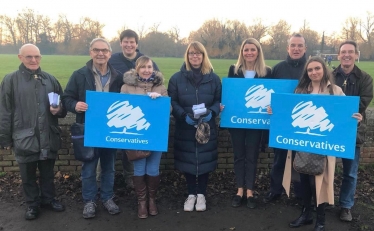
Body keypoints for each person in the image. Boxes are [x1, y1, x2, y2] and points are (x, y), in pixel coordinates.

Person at [268, 56, 362, 231]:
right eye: (310, 70)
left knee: (318, 183)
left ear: (324, 70)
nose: (314, 72)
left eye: (317, 68)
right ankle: (306, 214)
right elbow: (288, 113)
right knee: (303, 181)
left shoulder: (335, 91)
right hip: (302, 145)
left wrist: (355, 119)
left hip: (323, 148)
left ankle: (321, 219)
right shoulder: (301, 90)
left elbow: (344, 116)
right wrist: (274, 110)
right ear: (307, 73)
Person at [0, 44, 67, 220]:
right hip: (24, 137)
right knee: (28, 176)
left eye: (37, 56)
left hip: (48, 136)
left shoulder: (50, 79)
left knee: (47, 173)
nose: (33, 60)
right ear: (20, 57)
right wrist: (5, 139)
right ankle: (32, 204)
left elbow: (63, 108)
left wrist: (58, 110)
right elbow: (4, 111)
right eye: (29, 56)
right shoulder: (10, 80)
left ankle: (48, 199)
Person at [62, 38, 124, 219]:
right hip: (88, 129)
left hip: (110, 130)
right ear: (91, 52)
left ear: (110, 54)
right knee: (88, 167)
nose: (100, 53)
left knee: (109, 167)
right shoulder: (79, 75)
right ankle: (89, 201)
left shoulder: (118, 77)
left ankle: (107, 198)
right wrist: (75, 105)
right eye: (96, 50)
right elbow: (66, 98)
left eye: (104, 50)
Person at [168, 41, 221, 212]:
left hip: (206, 127)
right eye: (191, 53)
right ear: (187, 56)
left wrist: (212, 112)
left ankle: (202, 195)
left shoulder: (214, 78)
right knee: (188, 160)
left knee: (204, 159)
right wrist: (183, 115)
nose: (195, 56)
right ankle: (191, 194)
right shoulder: (176, 78)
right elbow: (172, 101)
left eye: (198, 53)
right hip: (186, 126)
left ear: (203, 56)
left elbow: (218, 101)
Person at [109, 29, 159, 188]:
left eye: (132, 42)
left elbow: (156, 82)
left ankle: (132, 180)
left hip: (143, 114)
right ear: (121, 43)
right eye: (126, 41)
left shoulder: (146, 60)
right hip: (121, 106)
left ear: (136, 44)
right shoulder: (113, 60)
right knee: (123, 146)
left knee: (136, 147)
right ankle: (116, 180)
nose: (129, 45)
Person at [120, 56, 168, 218]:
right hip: (136, 133)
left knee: (153, 168)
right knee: (139, 168)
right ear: (137, 69)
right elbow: (123, 110)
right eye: (143, 67)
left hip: (155, 134)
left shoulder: (160, 87)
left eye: (149, 67)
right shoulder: (126, 87)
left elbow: (169, 111)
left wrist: (159, 101)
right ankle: (141, 202)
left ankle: (152, 200)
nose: (147, 70)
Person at [227, 38, 271, 209]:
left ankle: (250, 191)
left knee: (252, 156)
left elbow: (271, 96)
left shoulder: (266, 72)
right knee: (239, 156)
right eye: (246, 50)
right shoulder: (234, 70)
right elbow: (230, 93)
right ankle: (239, 190)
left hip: (256, 122)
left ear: (258, 52)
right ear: (242, 52)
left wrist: (270, 108)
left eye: (253, 49)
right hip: (237, 121)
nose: (249, 52)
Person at [332, 40, 373, 222]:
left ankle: (346, 206)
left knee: (350, 172)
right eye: (343, 52)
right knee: (326, 170)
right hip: (330, 132)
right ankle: (324, 201)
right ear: (338, 55)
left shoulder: (365, 78)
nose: (347, 55)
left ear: (356, 54)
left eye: (350, 52)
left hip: (352, 134)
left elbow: (362, 104)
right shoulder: (330, 76)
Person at [264, 33, 307, 203]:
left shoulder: (311, 68)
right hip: (281, 122)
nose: (296, 49)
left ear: (305, 48)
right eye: (293, 45)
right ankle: (275, 190)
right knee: (279, 159)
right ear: (287, 48)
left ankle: (299, 194)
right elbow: (270, 94)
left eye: (300, 46)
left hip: (302, 121)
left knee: (300, 160)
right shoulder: (278, 68)